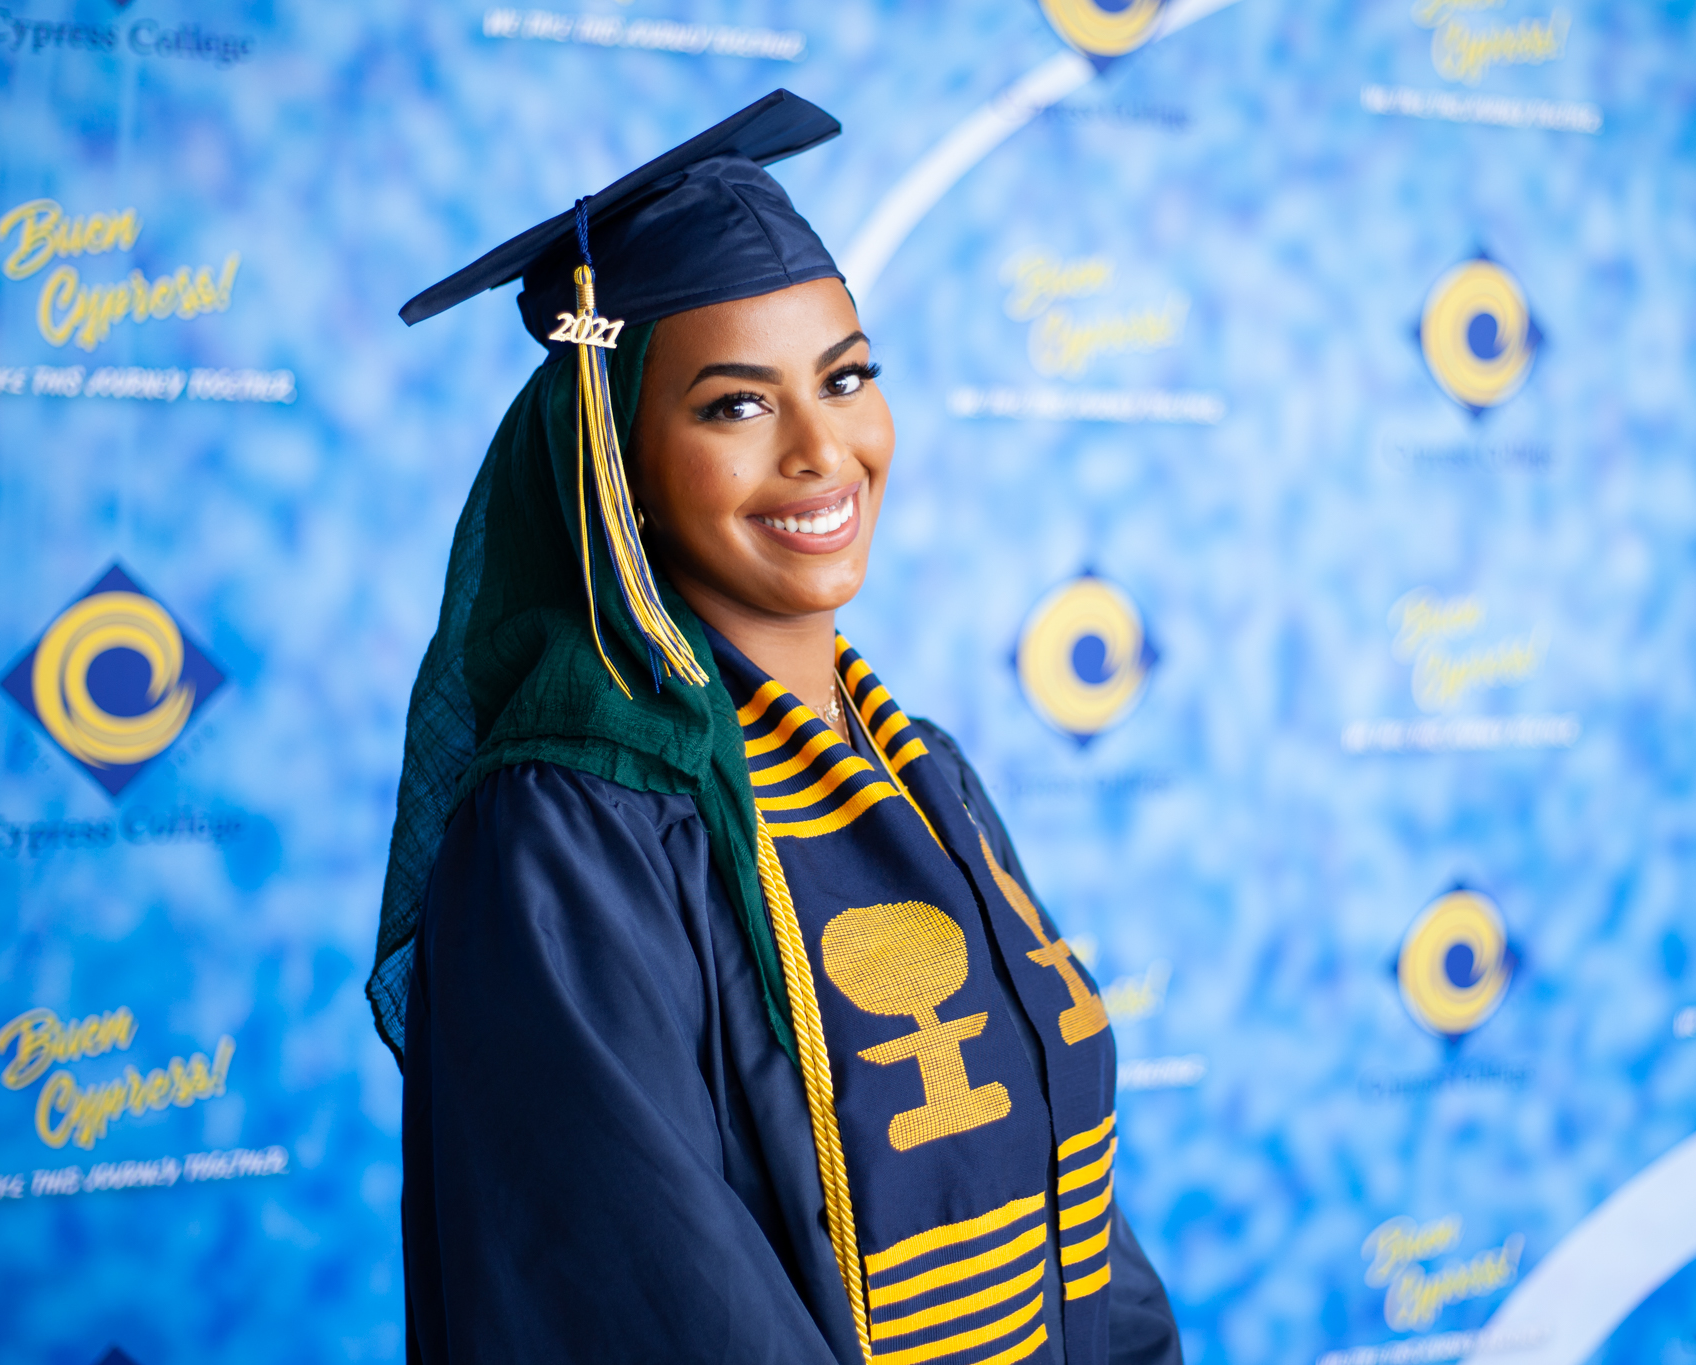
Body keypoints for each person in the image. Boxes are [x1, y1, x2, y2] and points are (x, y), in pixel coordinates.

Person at [370, 90, 1182, 1365]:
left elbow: (1078, 1230)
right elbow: (654, 1306)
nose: (821, 449)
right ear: (616, 457)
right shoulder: (571, 833)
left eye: (845, 378)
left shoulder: (922, 776)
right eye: (735, 406)